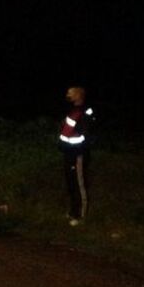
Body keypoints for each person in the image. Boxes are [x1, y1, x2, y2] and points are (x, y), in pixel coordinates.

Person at [59, 86, 95, 226]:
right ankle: (72, 212)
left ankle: (81, 216)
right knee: (71, 184)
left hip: (78, 154)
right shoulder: (72, 110)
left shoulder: (86, 111)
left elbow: (84, 135)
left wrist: (77, 149)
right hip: (68, 152)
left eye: (70, 92)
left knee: (80, 185)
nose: (68, 94)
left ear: (78, 95)